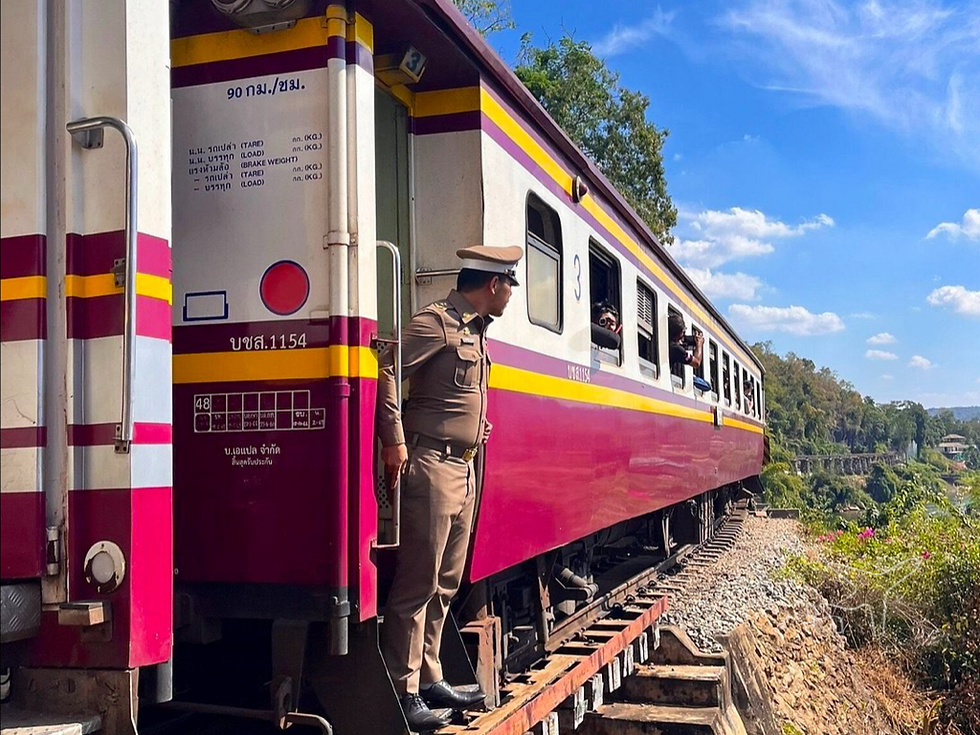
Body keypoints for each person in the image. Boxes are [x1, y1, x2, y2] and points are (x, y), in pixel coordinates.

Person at [376, 245, 523, 731]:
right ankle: (403, 690)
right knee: (417, 583)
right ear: (492, 284)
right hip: (432, 465)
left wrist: (475, 429)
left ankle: (431, 675)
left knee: (446, 583)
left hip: (463, 468)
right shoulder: (435, 322)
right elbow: (386, 366)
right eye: (509, 284)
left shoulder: (475, 331)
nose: (510, 294)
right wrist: (394, 440)